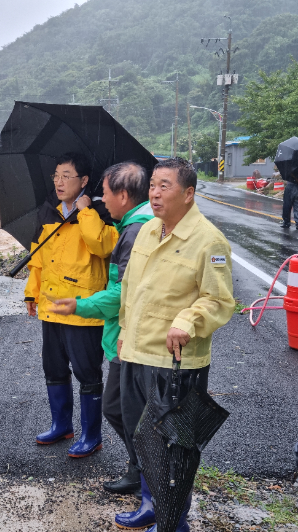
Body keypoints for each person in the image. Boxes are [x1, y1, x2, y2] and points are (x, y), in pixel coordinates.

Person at [114, 158, 234, 532]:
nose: (154, 192)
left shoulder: (209, 240)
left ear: (189, 193)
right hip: (136, 352)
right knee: (143, 439)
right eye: (152, 185)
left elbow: (219, 301)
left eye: (164, 185)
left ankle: (174, 522)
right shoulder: (149, 230)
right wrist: (122, 330)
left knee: (172, 446)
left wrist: (187, 320)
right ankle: (153, 506)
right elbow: (132, 291)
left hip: (175, 361)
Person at [49, 162, 153, 495]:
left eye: (106, 192)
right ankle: (141, 470)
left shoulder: (130, 229)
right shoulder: (130, 224)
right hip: (114, 327)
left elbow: (123, 289)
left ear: (123, 195)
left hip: (128, 333)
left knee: (122, 407)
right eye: (56, 175)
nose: (102, 198)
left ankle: (149, 474)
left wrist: (81, 304)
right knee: (120, 407)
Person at [24, 152, 118, 458]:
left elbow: (103, 246)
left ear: (84, 181)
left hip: (83, 308)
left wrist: (86, 211)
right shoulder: (48, 211)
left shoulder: (102, 212)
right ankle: (61, 425)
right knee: (53, 368)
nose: (60, 182)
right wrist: (32, 293)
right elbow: (37, 258)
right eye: (56, 176)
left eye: (67, 176)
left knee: (87, 371)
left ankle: (92, 435)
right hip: (52, 305)